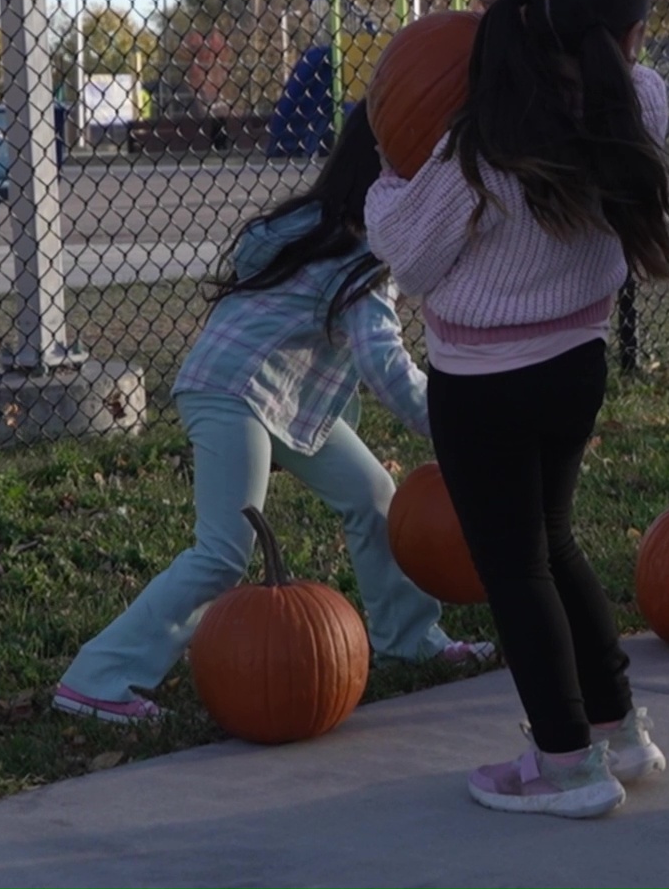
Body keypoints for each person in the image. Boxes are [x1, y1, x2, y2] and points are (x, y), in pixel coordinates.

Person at [366, 0, 669, 819]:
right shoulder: (637, 107)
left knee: (517, 570)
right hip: (576, 367)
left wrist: (391, 175)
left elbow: (410, 258)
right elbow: (610, 69)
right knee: (556, 542)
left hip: (485, 386)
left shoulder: (482, 141)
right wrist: (535, 13)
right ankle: (620, 729)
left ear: (532, 18)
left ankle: (566, 763)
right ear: (633, 34)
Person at [52, 103, 493, 726]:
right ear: (394, 177)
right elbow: (384, 366)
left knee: (373, 495)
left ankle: (408, 637)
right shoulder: (360, 258)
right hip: (232, 395)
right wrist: (455, 427)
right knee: (223, 551)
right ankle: (96, 679)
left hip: (278, 398)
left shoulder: (306, 223)